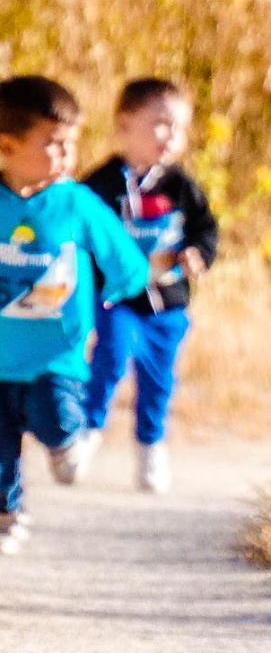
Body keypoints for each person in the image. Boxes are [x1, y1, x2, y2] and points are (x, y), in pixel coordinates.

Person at [0, 75, 149, 555]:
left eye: (72, 145)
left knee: (56, 422)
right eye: (55, 145)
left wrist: (117, 292)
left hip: (56, 358)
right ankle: (6, 513)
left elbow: (124, 260)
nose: (68, 157)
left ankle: (68, 441)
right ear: (6, 145)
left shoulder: (76, 203)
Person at [80, 78, 218, 494]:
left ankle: (150, 446)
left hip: (168, 300)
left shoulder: (180, 185)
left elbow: (205, 229)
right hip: (117, 298)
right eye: (160, 124)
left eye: (179, 128)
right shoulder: (101, 184)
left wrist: (198, 252)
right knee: (111, 357)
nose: (171, 137)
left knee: (159, 378)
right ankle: (86, 432)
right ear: (125, 123)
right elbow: (81, 233)